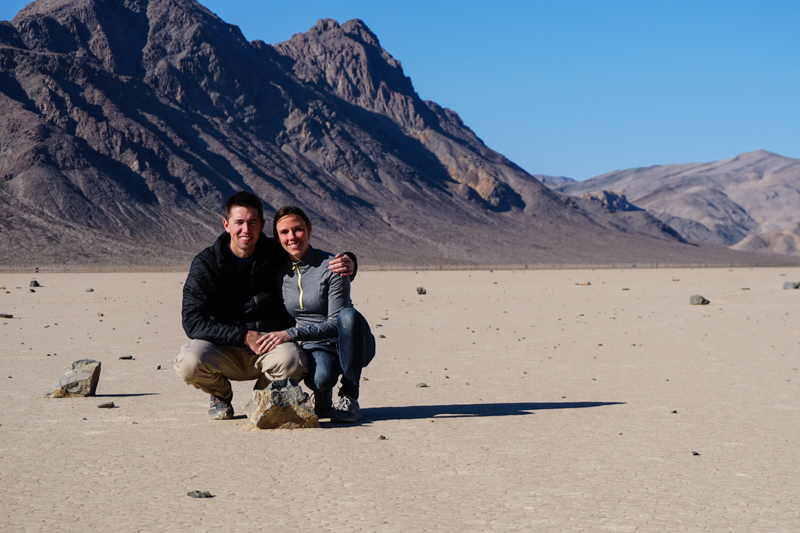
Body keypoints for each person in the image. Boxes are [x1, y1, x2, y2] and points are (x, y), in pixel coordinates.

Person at [173, 192, 355, 420]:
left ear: (262, 226)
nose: (246, 230)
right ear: (226, 225)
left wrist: (349, 261)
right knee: (188, 362)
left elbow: (310, 262)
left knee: (294, 361)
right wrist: (242, 335)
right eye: (239, 223)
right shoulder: (207, 264)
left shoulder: (276, 252)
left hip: (270, 344)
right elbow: (192, 321)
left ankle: (262, 396)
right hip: (224, 347)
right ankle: (220, 394)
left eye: (252, 223)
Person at [258, 206, 375, 424]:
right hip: (314, 345)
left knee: (347, 316)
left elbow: (335, 324)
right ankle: (323, 395)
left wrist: (291, 334)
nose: (292, 237)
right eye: (284, 232)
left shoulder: (333, 266)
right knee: (321, 380)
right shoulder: (279, 271)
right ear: (277, 237)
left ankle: (350, 397)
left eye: (298, 229)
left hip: (348, 339)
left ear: (309, 229)